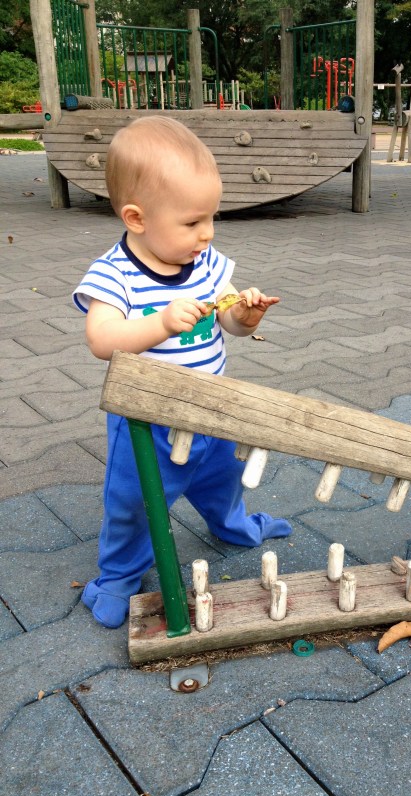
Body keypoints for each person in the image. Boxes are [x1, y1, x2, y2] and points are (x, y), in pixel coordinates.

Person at [73, 115, 291, 629]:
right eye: (192, 223)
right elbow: (101, 339)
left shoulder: (207, 261)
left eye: (211, 218)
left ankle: (233, 524)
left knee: (224, 479)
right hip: (148, 424)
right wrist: (160, 323)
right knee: (134, 504)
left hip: (211, 409)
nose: (206, 233)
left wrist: (245, 316)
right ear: (137, 217)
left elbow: (229, 323)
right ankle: (119, 576)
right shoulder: (115, 274)